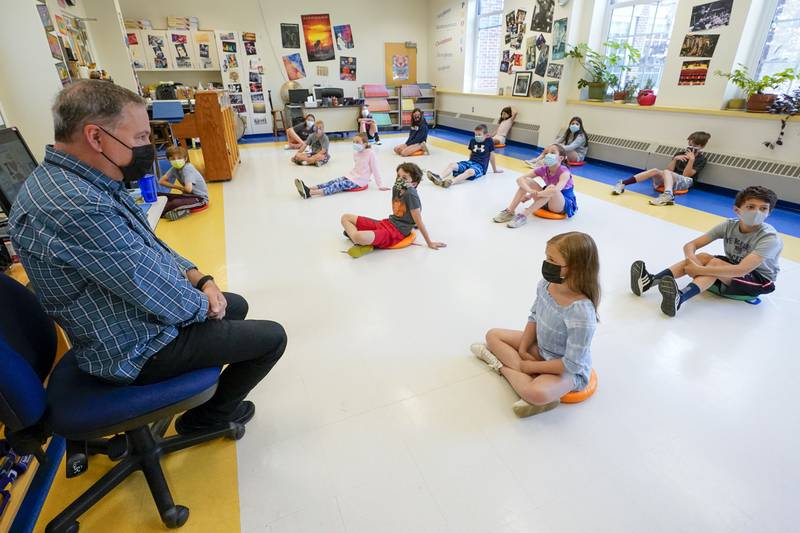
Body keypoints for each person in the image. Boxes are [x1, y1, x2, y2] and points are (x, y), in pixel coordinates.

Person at [8, 80, 286, 435]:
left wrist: (200, 278)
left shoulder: (80, 181)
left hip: (123, 319)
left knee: (235, 304)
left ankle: (204, 393)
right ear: (96, 137)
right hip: (130, 349)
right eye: (140, 137)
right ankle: (205, 420)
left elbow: (148, 247)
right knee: (271, 338)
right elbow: (152, 289)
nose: (147, 146)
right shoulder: (77, 206)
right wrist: (205, 304)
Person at [471, 232, 599, 418]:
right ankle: (526, 377)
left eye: (552, 260)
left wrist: (530, 368)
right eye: (546, 257)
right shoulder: (546, 284)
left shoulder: (581, 312)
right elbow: (534, 316)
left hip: (565, 367)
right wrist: (523, 348)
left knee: (537, 394)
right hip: (540, 348)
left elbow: (571, 365)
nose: (546, 263)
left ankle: (499, 365)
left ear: (575, 268)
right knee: (493, 335)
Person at [630, 186, 783, 317]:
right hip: (734, 270)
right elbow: (691, 245)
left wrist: (699, 269)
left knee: (714, 264)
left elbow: (743, 269)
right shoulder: (729, 225)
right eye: (751, 207)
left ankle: (680, 298)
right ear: (737, 210)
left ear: (769, 212)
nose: (757, 212)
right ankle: (649, 281)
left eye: (763, 209)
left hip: (760, 281)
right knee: (703, 257)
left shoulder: (769, 238)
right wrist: (692, 261)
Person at [340, 162, 446, 258]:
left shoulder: (411, 194)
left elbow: (418, 220)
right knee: (345, 217)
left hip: (396, 233)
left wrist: (429, 242)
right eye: (398, 176)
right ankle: (359, 239)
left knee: (358, 236)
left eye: (404, 178)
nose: (399, 179)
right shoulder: (396, 188)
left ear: (413, 184)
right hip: (387, 223)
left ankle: (358, 239)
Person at [612, 131, 711, 206]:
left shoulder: (701, 159)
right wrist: (675, 160)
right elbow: (669, 170)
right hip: (671, 179)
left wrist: (691, 160)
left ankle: (668, 195)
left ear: (701, 146)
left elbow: (686, 175)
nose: (691, 146)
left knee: (667, 172)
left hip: (686, 182)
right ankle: (623, 184)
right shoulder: (680, 154)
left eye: (695, 145)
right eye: (690, 144)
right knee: (655, 170)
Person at [493, 144, 578, 228]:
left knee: (551, 188)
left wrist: (534, 195)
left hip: (560, 204)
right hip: (545, 199)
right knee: (527, 181)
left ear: (561, 158)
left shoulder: (564, 172)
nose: (548, 155)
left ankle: (524, 215)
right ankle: (510, 211)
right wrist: (530, 191)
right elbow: (520, 179)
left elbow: (555, 191)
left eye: (552, 153)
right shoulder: (543, 169)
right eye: (546, 153)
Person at [294, 133, 388, 198]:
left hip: (360, 181)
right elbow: (359, 167)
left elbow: (375, 169)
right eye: (354, 142)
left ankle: (310, 193)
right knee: (332, 182)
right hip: (351, 176)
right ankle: (308, 187)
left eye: (358, 142)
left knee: (338, 185)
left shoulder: (370, 153)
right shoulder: (356, 153)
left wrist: (380, 185)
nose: (355, 144)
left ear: (365, 143)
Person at [426, 124, 503, 188]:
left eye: (479, 135)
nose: (477, 136)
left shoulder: (489, 141)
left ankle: (450, 182)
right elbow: (471, 153)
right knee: (452, 165)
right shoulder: (473, 140)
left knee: (470, 171)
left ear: (486, 135)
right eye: (475, 134)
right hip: (470, 162)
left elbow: (492, 156)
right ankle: (439, 177)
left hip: (480, 166)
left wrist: (495, 170)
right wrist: (468, 163)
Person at [158, 145, 208, 219]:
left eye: (179, 158)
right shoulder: (174, 169)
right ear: (169, 160)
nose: (176, 161)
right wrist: (179, 188)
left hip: (200, 199)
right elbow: (161, 181)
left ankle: (181, 212)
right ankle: (170, 210)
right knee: (160, 196)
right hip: (188, 196)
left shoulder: (187, 169)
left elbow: (188, 189)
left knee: (174, 203)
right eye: (173, 159)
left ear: (185, 159)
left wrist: (182, 189)